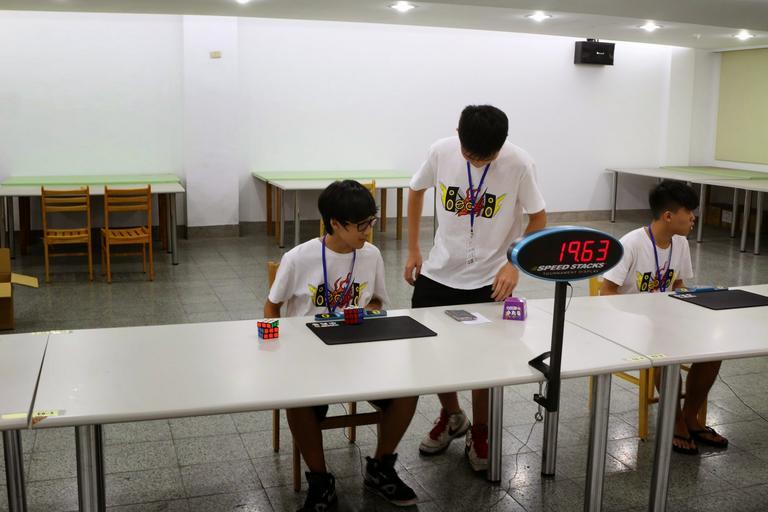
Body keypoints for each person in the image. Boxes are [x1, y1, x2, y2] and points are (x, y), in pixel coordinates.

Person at [404, 105, 547, 471]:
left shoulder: (520, 163)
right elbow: (416, 190)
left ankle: (480, 429)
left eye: (487, 158)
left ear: (502, 145)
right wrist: (414, 248)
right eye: (471, 156)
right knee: (431, 352)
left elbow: (539, 218)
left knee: (486, 361)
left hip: (490, 279)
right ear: (458, 135)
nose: (479, 163)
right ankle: (453, 416)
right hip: (439, 272)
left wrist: (513, 264)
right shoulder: (441, 151)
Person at [265, 180, 418, 510]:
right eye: (361, 225)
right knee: (297, 401)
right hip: (311, 358)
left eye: (371, 222)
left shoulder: (371, 255)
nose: (368, 231)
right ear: (335, 223)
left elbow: (378, 301)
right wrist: (278, 350)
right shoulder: (298, 258)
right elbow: (272, 307)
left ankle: (380, 468)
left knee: (409, 389)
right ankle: (321, 482)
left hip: (360, 354)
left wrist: (368, 311)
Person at [601, 180, 728, 455]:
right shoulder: (631, 244)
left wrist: (690, 302)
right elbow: (606, 291)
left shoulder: (679, 243)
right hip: (631, 326)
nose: (693, 217)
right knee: (665, 354)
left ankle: (691, 417)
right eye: (689, 211)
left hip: (667, 320)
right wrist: (639, 317)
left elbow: (677, 284)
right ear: (668, 216)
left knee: (713, 352)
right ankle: (675, 420)